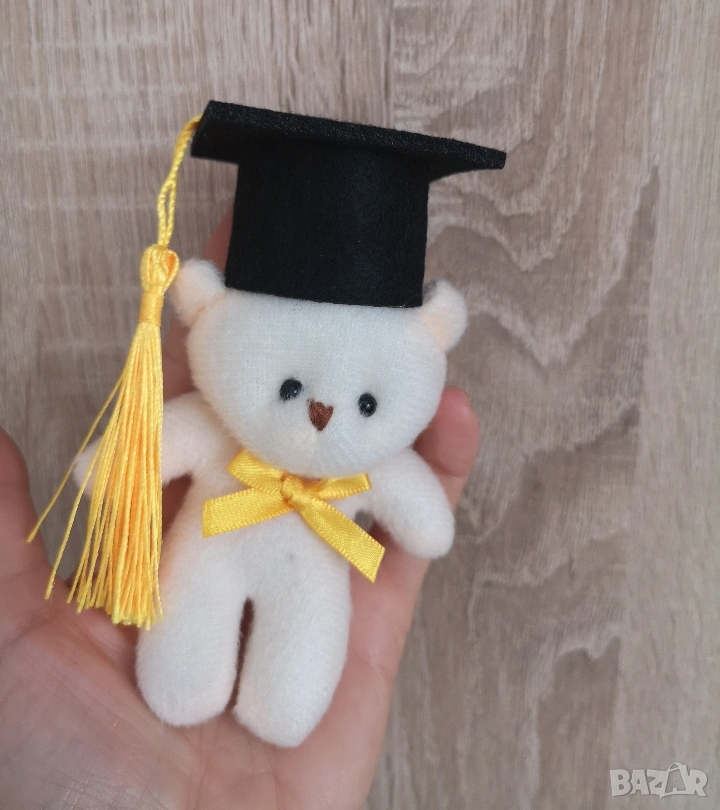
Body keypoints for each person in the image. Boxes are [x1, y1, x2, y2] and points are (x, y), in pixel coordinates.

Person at [0, 212, 480, 809]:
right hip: (210, 552)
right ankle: (184, 679)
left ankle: (282, 702)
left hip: (306, 578)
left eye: (365, 403)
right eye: (288, 389)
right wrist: (114, 467)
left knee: (305, 637)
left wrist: (426, 519)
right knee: (191, 608)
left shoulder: (369, 467)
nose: (322, 415)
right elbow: (150, 449)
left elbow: (425, 522)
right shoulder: (217, 429)